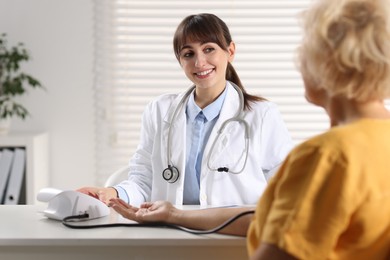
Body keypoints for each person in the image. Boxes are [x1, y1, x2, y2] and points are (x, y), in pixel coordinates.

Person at [109, 0, 390, 259]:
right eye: (188, 53)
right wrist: (175, 214)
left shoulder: (325, 157)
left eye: (303, 52)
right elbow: (264, 215)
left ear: (324, 67)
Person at [78, 13, 292, 207]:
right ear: (180, 61)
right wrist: (112, 192)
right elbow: (143, 181)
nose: (199, 62)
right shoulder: (159, 111)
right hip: (171, 232)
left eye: (209, 49)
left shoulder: (262, 115)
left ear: (230, 52)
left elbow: (286, 185)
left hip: (231, 233)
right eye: (188, 54)